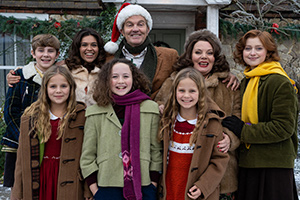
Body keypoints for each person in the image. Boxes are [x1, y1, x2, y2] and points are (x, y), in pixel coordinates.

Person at [155, 29, 241, 199]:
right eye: (198, 52)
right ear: (190, 55)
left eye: (209, 53)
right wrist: (160, 108)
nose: (204, 57)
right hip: (178, 171)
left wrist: (230, 138)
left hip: (218, 173)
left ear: (216, 57)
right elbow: (159, 104)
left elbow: (238, 118)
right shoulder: (174, 81)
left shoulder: (228, 85)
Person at [222, 30, 299, 200]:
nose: (252, 53)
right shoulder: (246, 81)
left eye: (259, 48)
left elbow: (283, 128)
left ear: (268, 52)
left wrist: (243, 130)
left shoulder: (280, 82)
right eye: (248, 48)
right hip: (249, 163)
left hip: (274, 166)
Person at [80, 58, 162, 200]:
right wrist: (95, 190)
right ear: (106, 80)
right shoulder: (95, 111)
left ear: (134, 79)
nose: (120, 81)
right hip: (106, 186)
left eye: (126, 76)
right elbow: (88, 155)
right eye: (114, 77)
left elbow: (156, 150)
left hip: (143, 186)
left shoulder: (150, 108)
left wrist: (153, 183)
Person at [11, 65, 92, 200]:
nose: (58, 91)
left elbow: (88, 157)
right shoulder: (30, 117)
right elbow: (21, 160)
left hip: (70, 179)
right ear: (45, 89)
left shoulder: (82, 116)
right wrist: (17, 193)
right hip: (39, 177)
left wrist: (87, 190)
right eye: (53, 86)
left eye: (63, 86)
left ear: (71, 88)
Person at [1, 34, 60, 195]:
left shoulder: (61, 78)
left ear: (57, 54)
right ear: (33, 53)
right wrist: (25, 137)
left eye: (50, 51)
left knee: (46, 185)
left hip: (50, 140)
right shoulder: (20, 76)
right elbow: (10, 112)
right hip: (20, 140)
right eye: (41, 50)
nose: (46, 55)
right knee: (21, 188)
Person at [158, 67, 229, 200]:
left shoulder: (212, 123)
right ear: (174, 92)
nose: (186, 96)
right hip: (169, 190)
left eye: (192, 91)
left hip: (196, 192)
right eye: (181, 91)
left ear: (201, 93)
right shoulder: (166, 122)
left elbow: (220, 159)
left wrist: (204, 186)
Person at [6, 28, 106, 106]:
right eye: (84, 45)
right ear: (78, 47)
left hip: (97, 125)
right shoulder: (66, 68)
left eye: (94, 45)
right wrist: (16, 73)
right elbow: (41, 69)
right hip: (72, 125)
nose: (89, 49)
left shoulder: (106, 71)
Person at [104, 3, 179, 99]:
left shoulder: (169, 56)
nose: (135, 29)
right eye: (129, 25)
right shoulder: (108, 59)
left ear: (147, 29)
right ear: (122, 31)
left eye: (140, 24)